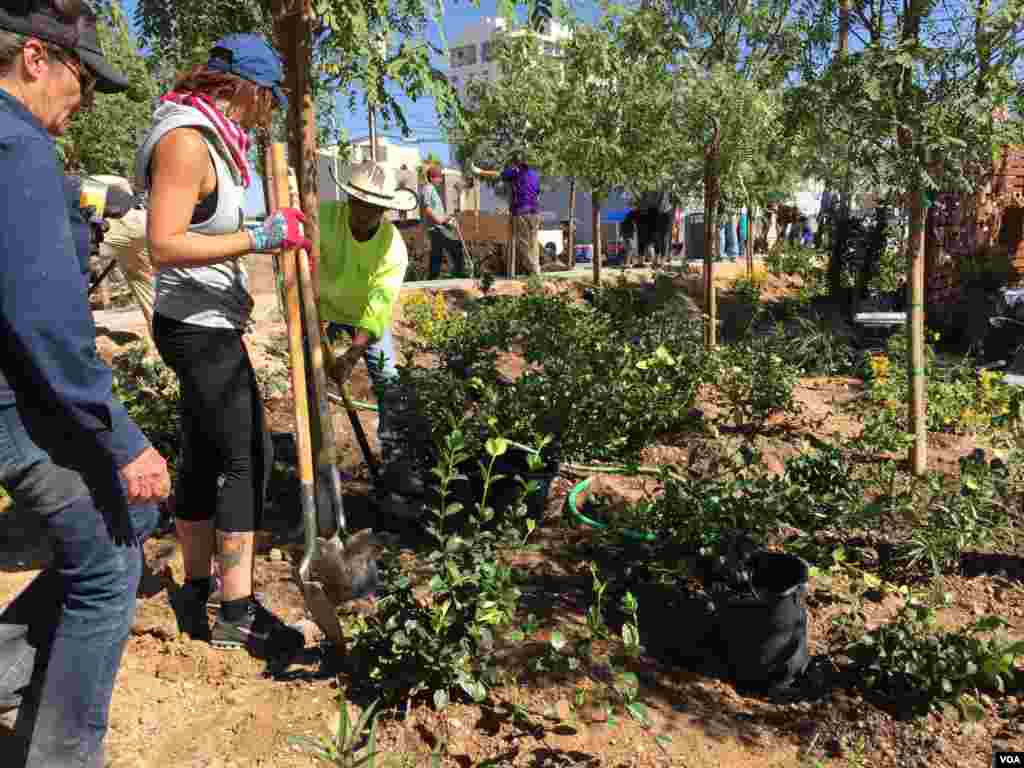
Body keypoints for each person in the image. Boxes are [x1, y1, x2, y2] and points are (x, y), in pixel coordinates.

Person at [0, 2, 171, 765]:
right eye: (83, 79)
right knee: (111, 563)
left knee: (117, 535)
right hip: (12, 406)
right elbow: (47, 324)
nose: (86, 100)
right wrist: (124, 439)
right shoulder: (18, 146)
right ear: (35, 58)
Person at [134, 33, 310, 659]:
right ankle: (237, 611)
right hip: (197, 324)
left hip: (206, 320)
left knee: (208, 455)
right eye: (266, 98)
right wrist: (257, 238)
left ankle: (195, 590)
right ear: (245, 90)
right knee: (248, 456)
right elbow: (165, 243)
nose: (266, 112)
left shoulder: (210, 136)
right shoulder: (186, 142)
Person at [318, 161, 422, 513]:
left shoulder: (393, 248)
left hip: (364, 317)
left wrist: (350, 357)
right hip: (321, 312)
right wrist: (311, 321)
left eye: (373, 207)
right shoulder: (324, 218)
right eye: (358, 203)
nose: (363, 213)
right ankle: (319, 465)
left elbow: (377, 309)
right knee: (310, 382)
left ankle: (396, 467)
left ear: (384, 209)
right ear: (349, 199)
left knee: (389, 383)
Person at [90, 175, 156, 341]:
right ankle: (162, 341)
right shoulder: (83, 181)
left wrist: (95, 222)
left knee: (74, 261)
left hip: (117, 225)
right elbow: (120, 181)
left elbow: (92, 186)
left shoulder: (74, 184)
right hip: (142, 221)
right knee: (143, 282)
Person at [473, 155, 541, 275]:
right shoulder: (534, 174)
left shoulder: (516, 172)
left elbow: (497, 174)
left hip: (521, 213)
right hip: (535, 213)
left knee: (523, 244)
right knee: (533, 242)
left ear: (515, 164)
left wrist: (479, 171)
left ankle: (534, 271)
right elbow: (537, 193)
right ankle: (535, 268)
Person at [419, 164, 464, 279]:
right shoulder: (428, 189)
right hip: (436, 228)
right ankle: (459, 273)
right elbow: (427, 208)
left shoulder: (432, 189)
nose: (441, 180)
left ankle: (432, 278)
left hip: (438, 226)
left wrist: (447, 218)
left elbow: (434, 210)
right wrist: (440, 221)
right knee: (455, 246)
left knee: (436, 254)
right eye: (439, 177)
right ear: (433, 177)